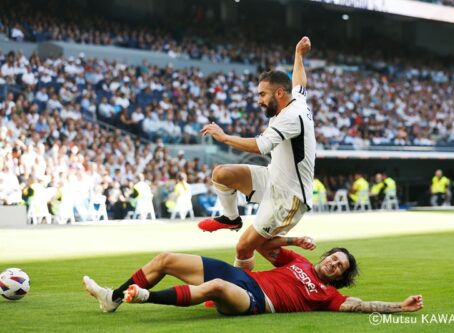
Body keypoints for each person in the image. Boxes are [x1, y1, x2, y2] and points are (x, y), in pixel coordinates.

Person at [197, 36, 316, 271]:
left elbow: (260, 146)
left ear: (279, 93)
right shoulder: (296, 101)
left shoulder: (291, 117)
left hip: (289, 197)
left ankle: (238, 291)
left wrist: (223, 137)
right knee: (221, 174)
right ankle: (231, 218)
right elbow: (299, 83)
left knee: (245, 247)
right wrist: (298, 55)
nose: (259, 100)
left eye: (263, 94)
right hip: (273, 178)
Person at [83, 236, 423, 315]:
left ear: (340, 277)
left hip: (256, 300)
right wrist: (290, 239)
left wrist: (398, 306)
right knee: (166, 259)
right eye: (333, 259)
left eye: (339, 268)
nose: (334, 265)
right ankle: (112, 298)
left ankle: (140, 297)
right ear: (324, 256)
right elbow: (259, 243)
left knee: (215, 286)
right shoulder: (298, 262)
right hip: (245, 277)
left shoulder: (330, 296)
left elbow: (362, 305)